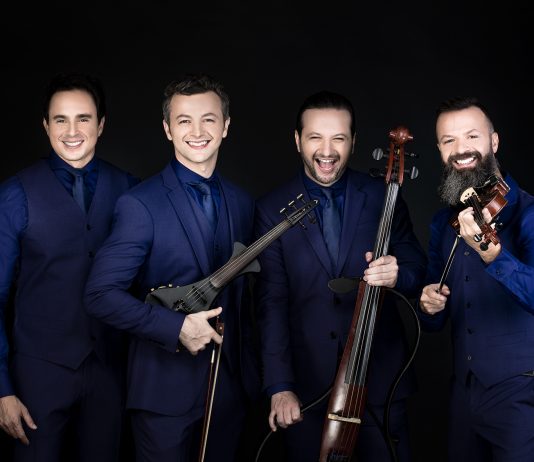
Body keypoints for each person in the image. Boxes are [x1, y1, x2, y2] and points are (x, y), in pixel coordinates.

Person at [83, 73, 259, 462]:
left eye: (208, 119)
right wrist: (176, 328)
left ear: (226, 126)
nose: (197, 132)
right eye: (184, 121)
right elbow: (99, 295)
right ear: (167, 129)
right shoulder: (140, 204)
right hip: (163, 395)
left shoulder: (243, 203)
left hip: (229, 392)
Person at [254, 90, 427, 461]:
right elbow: (272, 302)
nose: (327, 151)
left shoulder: (383, 194)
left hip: (380, 382)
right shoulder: (270, 209)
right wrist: (280, 385)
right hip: (307, 388)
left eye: (339, 138)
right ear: (297, 140)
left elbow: (416, 266)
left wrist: (398, 274)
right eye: (315, 137)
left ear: (354, 141)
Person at [0, 72, 139, 461]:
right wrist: (2, 389)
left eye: (83, 118)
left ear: (101, 124)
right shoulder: (14, 195)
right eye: (60, 119)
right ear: (46, 126)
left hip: (110, 374)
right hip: (36, 377)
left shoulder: (130, 189)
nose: (72, 131)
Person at [419, 96, 534, 461]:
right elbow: (431, 318)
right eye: (449, 140)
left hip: (521, 393)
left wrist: (493, 255)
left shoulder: (528, 212)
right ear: (440, 150)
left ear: (493, 142)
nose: (461, 149)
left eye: (472, 136)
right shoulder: (444, 223)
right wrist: (428, 304)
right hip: (463, 393)